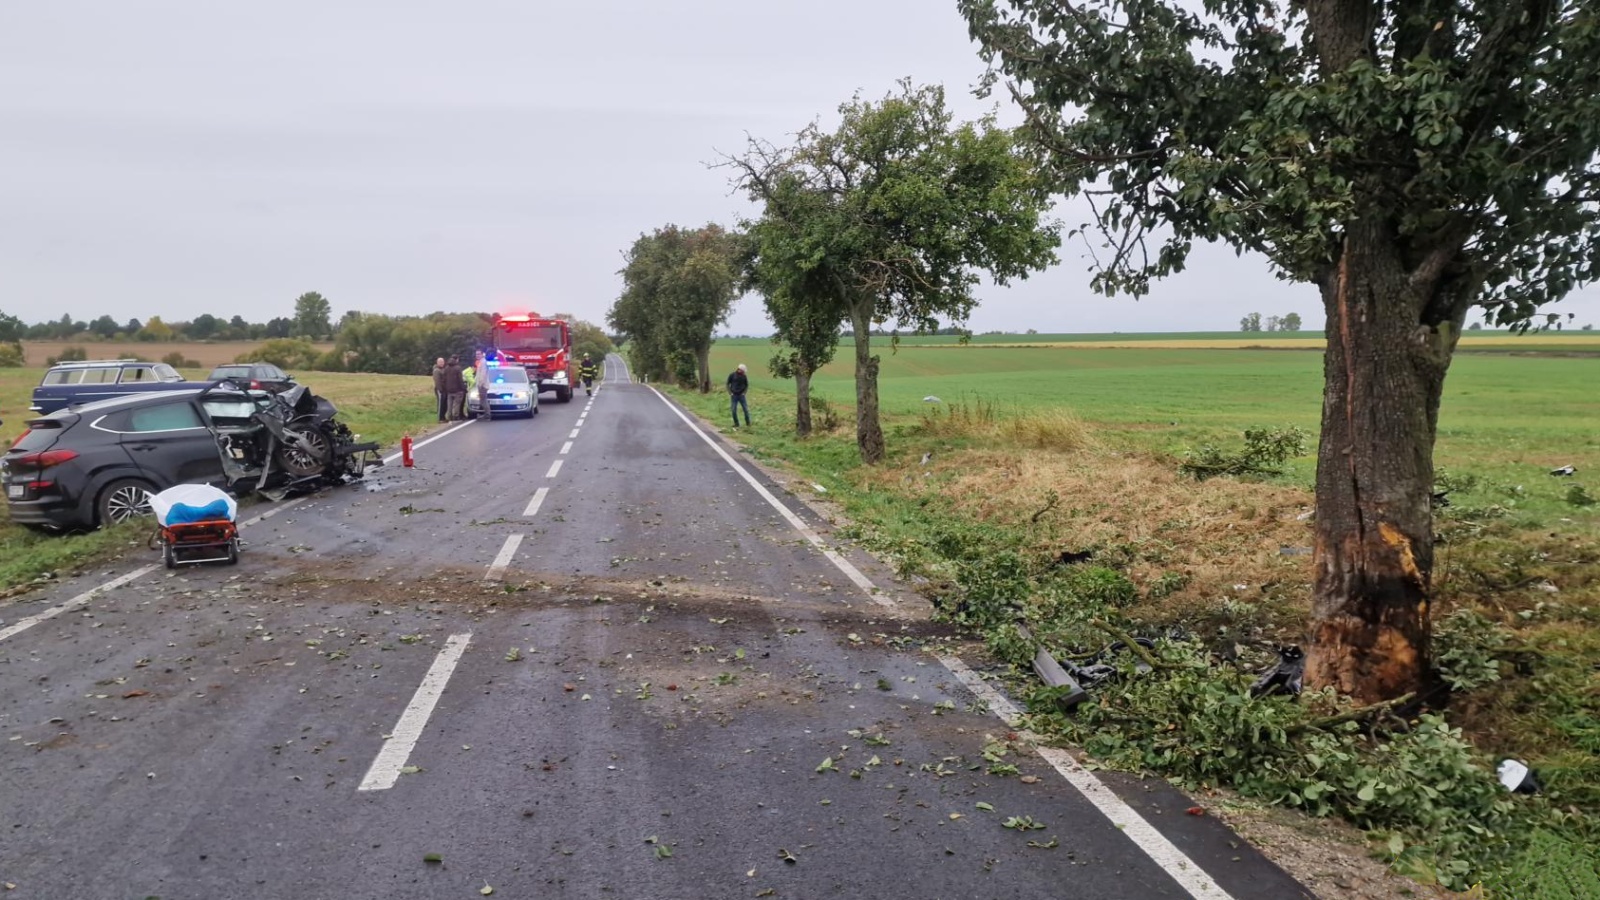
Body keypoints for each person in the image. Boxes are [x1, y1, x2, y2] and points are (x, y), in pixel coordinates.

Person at [727, 363, 750, 428]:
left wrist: (744, 393)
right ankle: (736, 424)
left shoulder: (744, 376)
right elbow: (727, 384)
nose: (743, 372)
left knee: (746, 410)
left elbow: (746, 385)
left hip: (741, 396)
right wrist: (730, 393)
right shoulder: (732, 375)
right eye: (743, 371)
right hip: (734, 396)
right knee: (733, 410)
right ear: (739, 369)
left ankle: (748, 423)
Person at [444, 355, 467, 420]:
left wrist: (445, 387)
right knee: (457, 403)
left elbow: (444, 378)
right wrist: (463, 388)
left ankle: (449, 416)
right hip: (457, 389)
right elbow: (460, 379)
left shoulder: (446, 368)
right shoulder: (458, 368)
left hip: (449, 389)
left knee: (449, 404)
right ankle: (455, 416)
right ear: (457, 360)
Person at [431, 357, 449, 422]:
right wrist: (440, 389)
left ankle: (443, 417)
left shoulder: (443, 369)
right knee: (440, 404)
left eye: (442, 362)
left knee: (445, 404)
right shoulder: (436, 370)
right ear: (437, 362)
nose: (442, 363)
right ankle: (440, 418)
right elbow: (437, 381)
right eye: (440, 362)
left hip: (445, 389)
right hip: (440, 390)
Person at [472, 350, 489, 418]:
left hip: (483, 385)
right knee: (482, 400)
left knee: (483, 400)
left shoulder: (483, 362)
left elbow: (483, 374)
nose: (477, 355)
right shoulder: (480, 362)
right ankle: (485, 414)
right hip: (481, 384)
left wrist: (480, 383)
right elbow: (478, 374)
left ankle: (487, 414)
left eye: (479, 354)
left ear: (482, 354)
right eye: (476, 354)